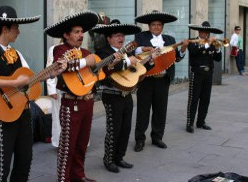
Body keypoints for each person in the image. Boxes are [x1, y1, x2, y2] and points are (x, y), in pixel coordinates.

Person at [0, 6, 67, 182]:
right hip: (2, 118)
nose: (19, 31)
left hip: (23, 114)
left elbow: (31, 79)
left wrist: (53, 72)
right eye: (16, 27)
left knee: (25, 160)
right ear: (5, 29)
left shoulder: (16, 54)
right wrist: (14, 83)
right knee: (2, 166)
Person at [44, 11, 99, 182]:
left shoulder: (85, 51)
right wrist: (86, 62)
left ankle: (78, 175)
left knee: (82, 143)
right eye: (76, 32)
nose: (81, 35)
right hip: (70, 102)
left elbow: (92, 70)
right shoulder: (59, 49)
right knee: (68, 145)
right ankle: (63, 178)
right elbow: (62, 65)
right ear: (66, 35)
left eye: (82, 31)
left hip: (87, 101)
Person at [133, 10, 187, 151]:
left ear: (162, 26)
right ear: (149, 26)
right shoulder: (140, 37)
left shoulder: (170, 40)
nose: (156, 27)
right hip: (146, 80)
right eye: (153, 25)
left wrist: (183, 49)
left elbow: (178, 58)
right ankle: (140, 139)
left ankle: (157, 137)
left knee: (160, 110)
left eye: (159, 25)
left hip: (163, 80)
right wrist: (143, 49)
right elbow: (133, 51)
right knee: (143, 111)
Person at [93, 19, 141, 173]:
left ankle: (120, 157)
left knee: (126, 128)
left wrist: (147, 62)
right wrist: (128, 61)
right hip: (111, 94)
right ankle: (109, 159)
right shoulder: (102, 51)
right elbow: (109, 67)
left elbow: (134, 68)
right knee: (114, 128)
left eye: (122, 35)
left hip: (126, 94)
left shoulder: (127, 51)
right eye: (117, 35)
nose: (121, 38)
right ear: (109, 38)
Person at [186, 21, 223, 133]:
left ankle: (201, 122)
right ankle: (189, 123)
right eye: (203, 31)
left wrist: (217, 48)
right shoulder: (193, 41)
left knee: (205, 99)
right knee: (194, 99)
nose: (205, 34)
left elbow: (218, 58)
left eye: (207, 32)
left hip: (208, 73)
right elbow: (194, 52)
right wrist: (207, 44)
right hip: (196, 73)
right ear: (199, 31)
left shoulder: (212, 43)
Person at [46, 44, 62, 147]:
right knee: (58, 116)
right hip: (58, 88)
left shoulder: (78, 49)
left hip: (76, 88)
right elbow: (49, 69)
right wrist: (52, 90)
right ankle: (59, 143)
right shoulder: (54, 48)